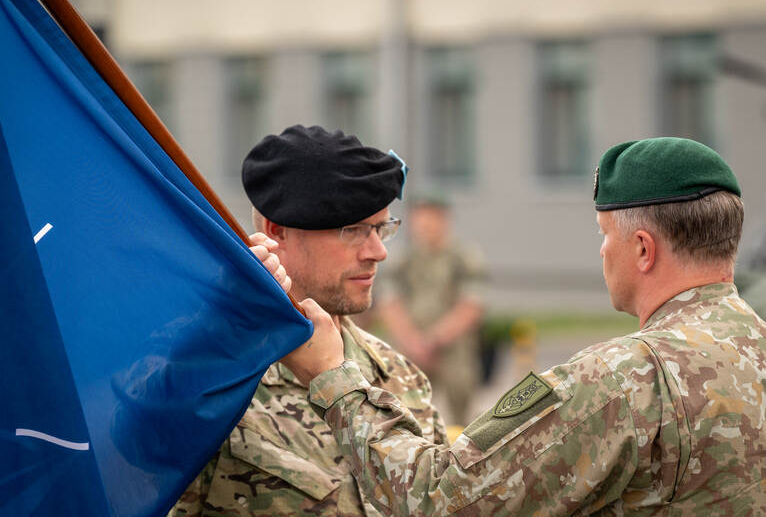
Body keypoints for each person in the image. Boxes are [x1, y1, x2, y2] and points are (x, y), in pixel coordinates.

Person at [280, 137, 766, 515]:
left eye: (604, 236)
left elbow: (436, 498)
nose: (601, 251)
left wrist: (335, 378)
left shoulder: (620, 380)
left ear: (643, 248)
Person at [168, 125, 447, 517]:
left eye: (382, 228)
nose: (378, 251)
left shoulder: (401, 378)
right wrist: (218, 322)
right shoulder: (210, 370)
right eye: (353, 230)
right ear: (276, 230)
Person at [378, 193, 489, 425]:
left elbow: (472, 305)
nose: (424, 226)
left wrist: (434, 340)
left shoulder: (463, 258)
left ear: (444, 219)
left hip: (454, 348)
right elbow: (389, 303)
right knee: (406, 413)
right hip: (410, 349)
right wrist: (412, 341)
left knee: (462, 415)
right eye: (419, 219)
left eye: (430, 219)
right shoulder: (403, 259)